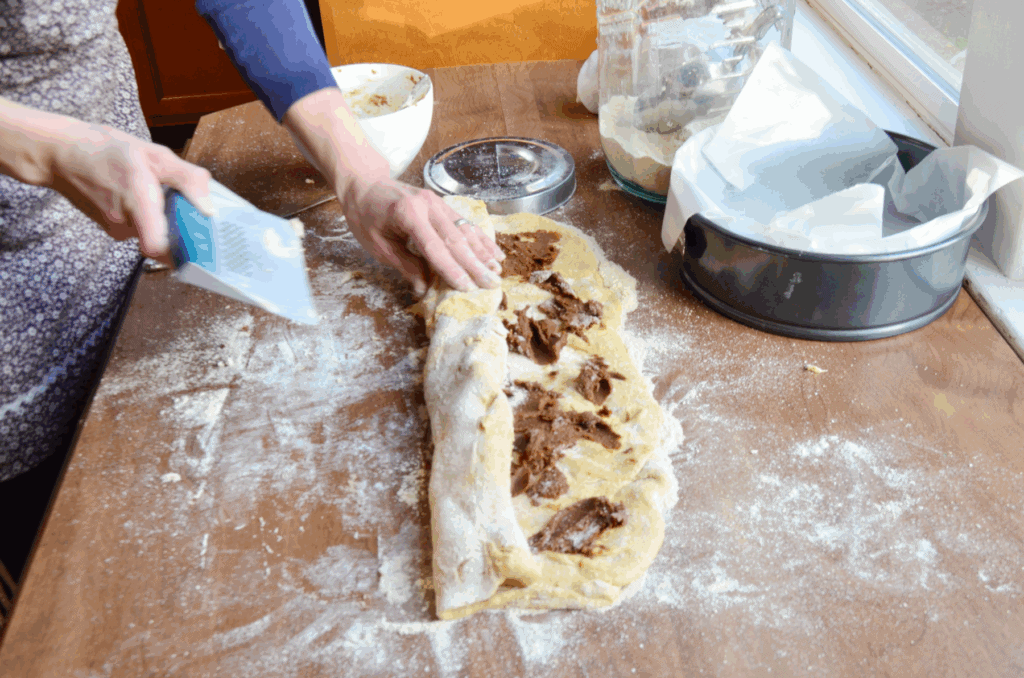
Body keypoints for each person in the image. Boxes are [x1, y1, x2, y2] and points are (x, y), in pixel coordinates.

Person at [0, 0, 504, 590]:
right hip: (14, 328)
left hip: (129, 208)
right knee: (75, 571)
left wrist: (361, 175)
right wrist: (46, 146)